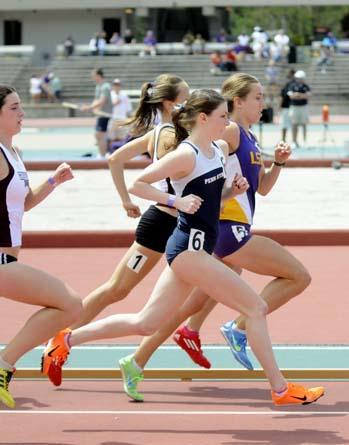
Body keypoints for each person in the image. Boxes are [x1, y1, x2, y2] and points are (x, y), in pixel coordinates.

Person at [42, 89, 325, 406]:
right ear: (203, 118)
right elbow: (140, 184)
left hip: (194, 251)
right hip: (188, 249)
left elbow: (210, 199)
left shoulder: (217, 150)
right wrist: (176, 201)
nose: (227, 122)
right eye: (222, 117)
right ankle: (280, 389)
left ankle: (66, 339)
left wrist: (232, 190)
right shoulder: (185, 154)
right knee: (255, 308)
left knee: (146, 322)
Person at [121, 74, 313, 400]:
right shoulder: (230, 132)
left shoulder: (249, 136)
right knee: (297, 275)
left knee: (187, 305)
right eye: (257, 97)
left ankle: (138, 359)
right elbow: (196, 148)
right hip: (227, 229)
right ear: (237, 101)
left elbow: (261, 189)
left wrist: (278, 163)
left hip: (220, 233)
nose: (263, 103)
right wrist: (178, 194)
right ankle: (237, 330)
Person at [59, 75, 189, 341]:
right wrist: (126, 198)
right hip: (162, 223)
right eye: (186, 98)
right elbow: (115, 160)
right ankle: (61, 336)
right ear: (169, 103)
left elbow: (116, 158)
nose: (191, 103)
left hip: (184, 223)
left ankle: (186, 335)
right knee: (117, 289)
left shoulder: (168, 132)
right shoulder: (167, 134)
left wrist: (125, 201)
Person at [0, 85, 82, 408]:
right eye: (14, 108)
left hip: (8, 258)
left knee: (70, 305)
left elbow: (25, 203)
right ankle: (4, 364)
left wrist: (54, 182)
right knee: (70, 304)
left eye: (21, 107)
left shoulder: (14, 154)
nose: (22, 113)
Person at [80, 68, 113, 158]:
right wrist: (89, 107)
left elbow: (102, 100)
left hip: (105, 114)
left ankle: (103, 155)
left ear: (98, 76)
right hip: (100, 114)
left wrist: (89, 107)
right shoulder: (98, 86)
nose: (93, 78)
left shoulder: (105, 86)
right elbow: (96, 100)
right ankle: (103, 154)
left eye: (94, 76)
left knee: (100, 135)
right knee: (98, 135)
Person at [288, 70, 310, 147]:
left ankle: (304, 141)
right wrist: (301, 96)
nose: (299, 79)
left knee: (304, 124)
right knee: (294, 124)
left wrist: (298, 95)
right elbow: (291, 96)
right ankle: (294, 141)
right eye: (298, 78)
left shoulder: (306, 86)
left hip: (303, 107)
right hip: (294, 107)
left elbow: (308, 96)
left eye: (301, 78)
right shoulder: (292, 86)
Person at [108, 79, 132, 147]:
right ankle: (110, 152)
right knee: (111, 137)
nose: (116, 86)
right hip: (112, 118)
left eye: (118, 85)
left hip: (122, 119)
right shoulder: (110, 95)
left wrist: (129, 119)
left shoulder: (124, 95)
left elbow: (128, 108)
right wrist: (115, 103)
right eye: (115, 85)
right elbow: (108, 106)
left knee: (122, 137)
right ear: (113, 86)